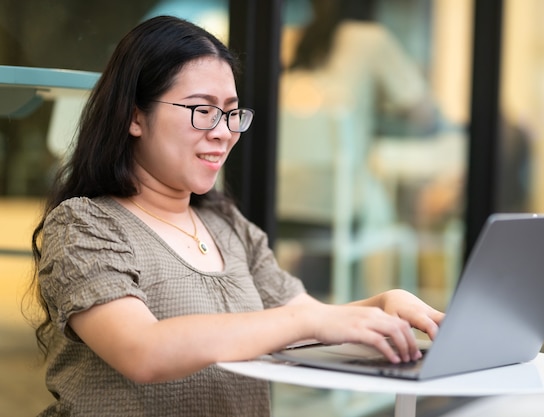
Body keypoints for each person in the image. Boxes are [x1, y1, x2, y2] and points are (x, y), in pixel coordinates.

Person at [26, 15, 444, 417]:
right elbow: (142, 351)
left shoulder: (228, 226)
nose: (224, 131)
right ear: (135, 115)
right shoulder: (85, 225)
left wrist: (384, 306)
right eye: (202, 109)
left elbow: (306, 321)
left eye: (230, 112)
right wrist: (305, 319)